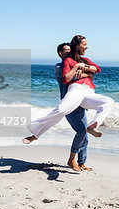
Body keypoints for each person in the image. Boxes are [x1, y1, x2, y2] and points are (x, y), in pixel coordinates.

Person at [25, 35, 114, 148]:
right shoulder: (67, 61)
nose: (87, 47)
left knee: (108, 102)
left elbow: (97, 69)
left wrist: (84, 67)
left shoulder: (85, 60)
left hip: (89, 91)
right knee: (61, 110)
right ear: (77, 46)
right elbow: (66, 78)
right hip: (76, 89)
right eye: (84, 44)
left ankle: (92, 127)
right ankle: (35, 134)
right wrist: (76, 67)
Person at [23, 42, 93, 171]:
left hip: (79, 104)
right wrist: (84, 71)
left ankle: (82, 162)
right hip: (67, 104)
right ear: (60, 53)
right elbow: (70, 77)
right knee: (81, 131)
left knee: (85, 136)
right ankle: (71, 160)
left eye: (70, 50)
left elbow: (92, 72)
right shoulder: (59, 67)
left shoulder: (74, 62)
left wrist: (87, 72)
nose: (69, 52)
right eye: (66, 51)